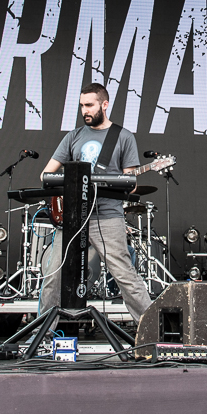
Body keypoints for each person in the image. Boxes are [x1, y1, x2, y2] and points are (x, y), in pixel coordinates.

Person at [39, 83, 152, 321]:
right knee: (53, 275)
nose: (85, 111)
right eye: (82, 106)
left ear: (104, 104)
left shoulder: (123, 137)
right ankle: (43, 332)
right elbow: (46, 175)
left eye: (89, 105)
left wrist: (111, 182)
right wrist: (67, 187)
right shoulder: (73, 136)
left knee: (125, 275)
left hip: (107, 216)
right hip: (73, 217)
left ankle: (150, 329)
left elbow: (130, 182)